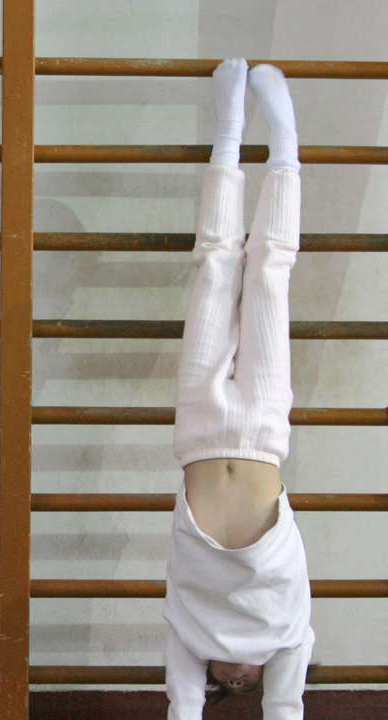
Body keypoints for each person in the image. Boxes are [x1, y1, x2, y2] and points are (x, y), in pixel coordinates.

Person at [164, 59, 314, 720]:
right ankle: (284, 148)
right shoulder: (287, 632)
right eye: (249, 683)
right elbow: (286, 709)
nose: (239, 678)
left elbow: (182, 707)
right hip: (261, 429)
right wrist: (273, 695)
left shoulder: (189, 632)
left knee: (216, 268)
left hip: (198, 424)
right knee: (269, 275)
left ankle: (228, 138)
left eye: (229, 685)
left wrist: (197, 690)